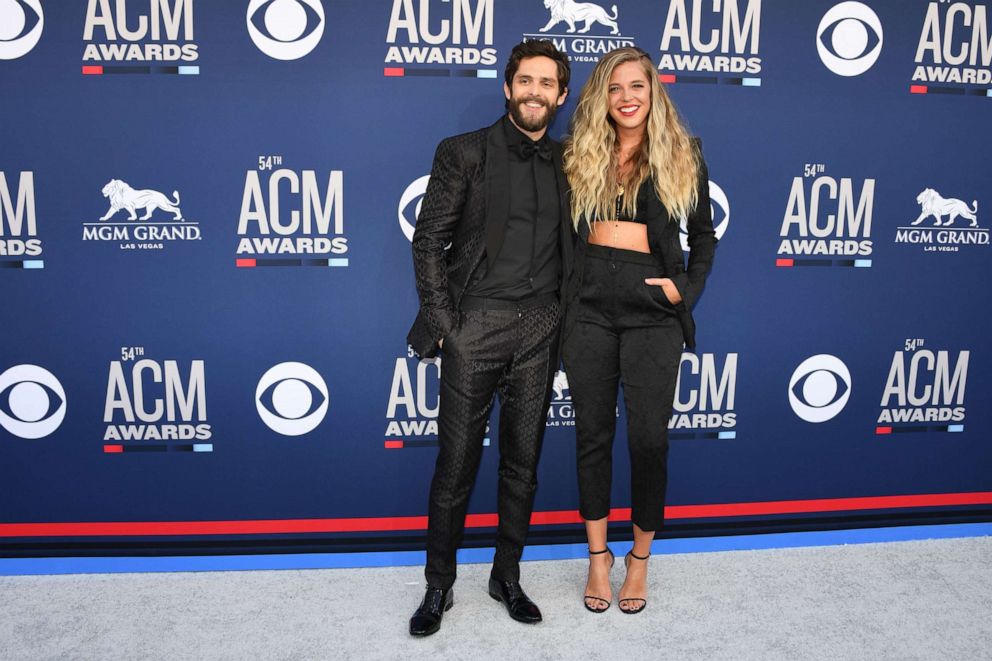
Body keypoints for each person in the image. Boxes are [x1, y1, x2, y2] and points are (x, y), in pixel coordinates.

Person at [406, 40, 572, 637]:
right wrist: (449, 327)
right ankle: (439, 585)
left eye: (546, 83)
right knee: (456, 464)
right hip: (474, 326)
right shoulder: (464, 153)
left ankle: (507, 574)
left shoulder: (571, 161)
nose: (534, 91)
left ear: (560, 94)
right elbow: (428, 244)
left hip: (541, 329)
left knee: (523, 464)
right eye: (524, 80)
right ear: (508, 88)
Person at [561, 47, 716, 614]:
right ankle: (598, 558)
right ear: (602, 96)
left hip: (652, 307)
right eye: (615, 88)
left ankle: (639, 560)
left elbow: (705, 236)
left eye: (638, 87)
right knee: (593, 435)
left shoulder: (683, 152)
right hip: (590, 305)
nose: (627, 98)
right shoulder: (578, 152)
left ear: (654, 93)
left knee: (648, 439)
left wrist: (685, 290)